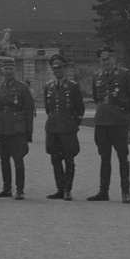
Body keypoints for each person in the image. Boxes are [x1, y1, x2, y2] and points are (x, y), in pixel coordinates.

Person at [88, 45, 130, 203]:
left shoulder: (124, 74)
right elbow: (97, 98)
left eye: (108, 59)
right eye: (103, 60)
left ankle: (126, 191)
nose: (106, 62)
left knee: (122, 157)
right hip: (102, 121)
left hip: (119, 121)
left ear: (114, 58)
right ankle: (103, 191)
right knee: (104, 157)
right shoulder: (96, 76)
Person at [0, 58, 36, 199]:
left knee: (18, 159)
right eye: (5, 69)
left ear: (15, 70)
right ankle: (6, 188)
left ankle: (20, 188)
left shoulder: (22, 88)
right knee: (3, 159)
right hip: (1, 128)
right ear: (1, 70)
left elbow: (28, 111)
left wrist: (29, 131)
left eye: (11, 69)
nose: (8, 71)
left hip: (17, 129)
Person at [43, 54, 85, 200]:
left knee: (69, 159)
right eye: (55, 68)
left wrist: (72, 124)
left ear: (65, 68)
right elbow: (48, 109)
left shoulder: (73, 87)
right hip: (53, 127)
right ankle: (60, 188)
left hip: (67, 128)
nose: (57, 71)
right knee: (55, 159)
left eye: (60, 68)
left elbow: (80, 109)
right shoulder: (48, 86)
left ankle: (68, 189)